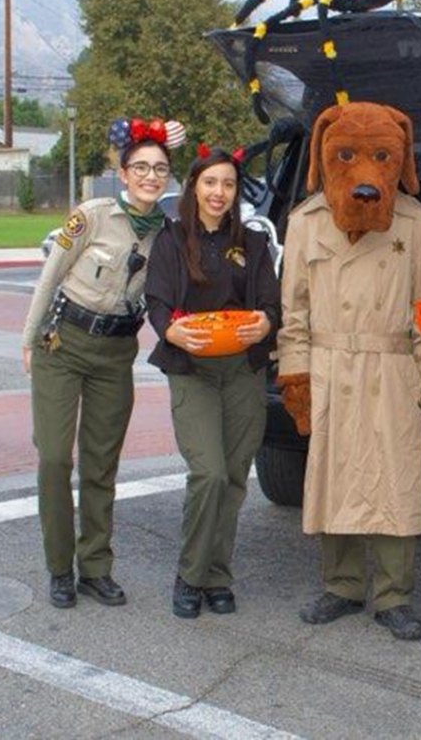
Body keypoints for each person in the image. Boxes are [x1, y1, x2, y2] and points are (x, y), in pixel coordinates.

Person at [277, 102, 421, 641]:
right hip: (328, 365)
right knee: (333, 475)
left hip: (393, 368)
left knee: (396, 480)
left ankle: (395, 594)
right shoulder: (305, 222)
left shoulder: (415, 223)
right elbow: (293, 312)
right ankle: (341, 585)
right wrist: (297, 377)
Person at [22, 116, 184, 609]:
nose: (150, 177)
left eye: (160, 169)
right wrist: (29, 338)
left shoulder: (169, 235)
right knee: (54, 458)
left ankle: (95, 568)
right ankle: (59, 568)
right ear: (123, 170)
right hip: (62, 344)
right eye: (141, 167)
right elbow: (51, 276)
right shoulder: (91, 215)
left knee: (101, 464)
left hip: (115, 352)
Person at [144, 144, 280, 619]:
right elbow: (156, 301)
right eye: (210, 182)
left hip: (243, 369)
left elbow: (272, 305)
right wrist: (170, 329)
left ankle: (217, 576)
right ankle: (190, 574)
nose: (218, 192)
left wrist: (265, 323)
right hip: (193, 369)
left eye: (227, 184)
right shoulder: (171, 240)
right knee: (209, 473)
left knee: (235, 478)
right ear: (194, 186)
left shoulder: (255, 244)